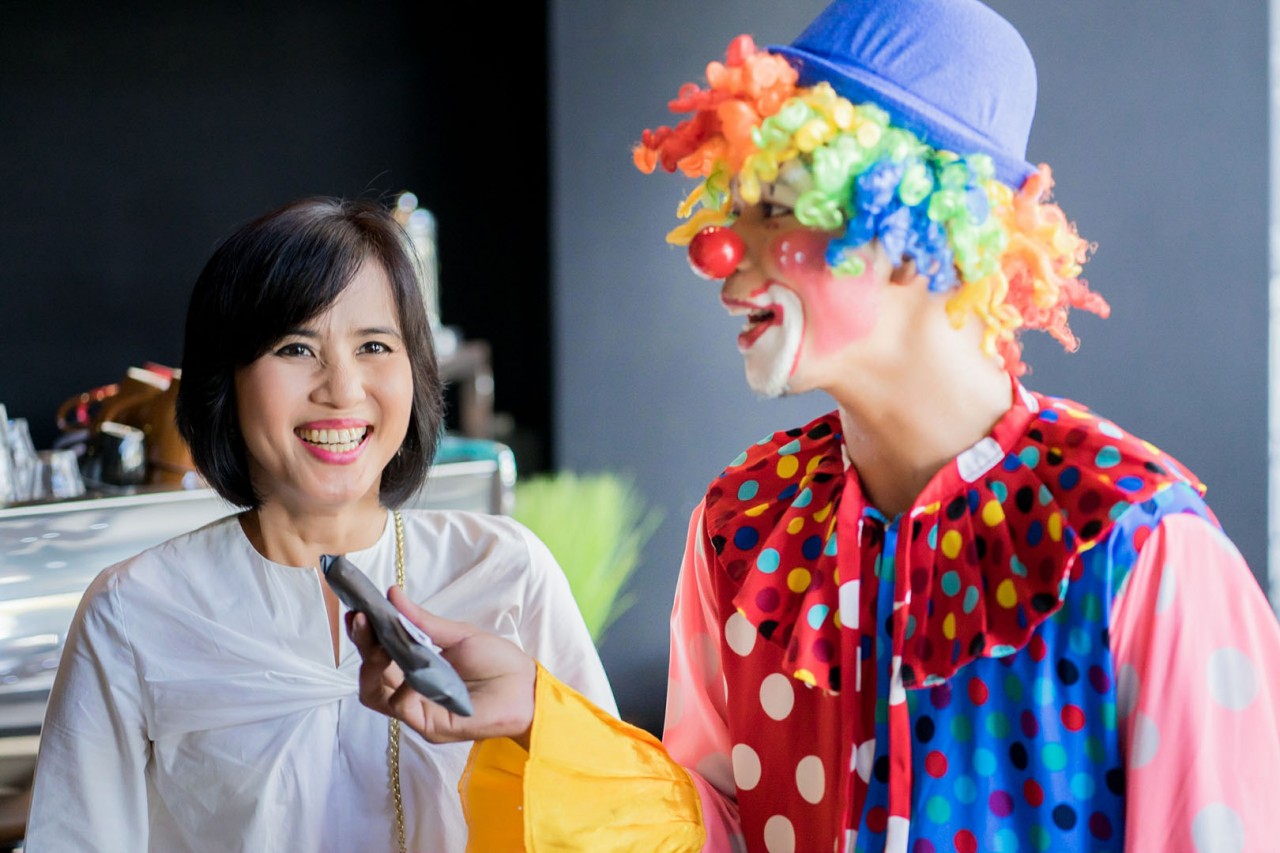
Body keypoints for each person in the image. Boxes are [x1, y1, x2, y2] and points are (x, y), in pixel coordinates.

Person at [350, 1, 1280, 851]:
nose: (717, 252)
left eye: (781, 208)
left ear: (923, 230)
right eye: (733, 207)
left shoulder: (1133, 550)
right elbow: (713, 827)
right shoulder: (742, 526)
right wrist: (537, 716)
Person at [23, 197, 617, 852]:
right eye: (296, 347)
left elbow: (624, 821)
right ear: (227, 380)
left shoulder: (505, 571)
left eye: (374, 346)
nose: (342, 388)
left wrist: (537, 719)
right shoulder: (132, 612)